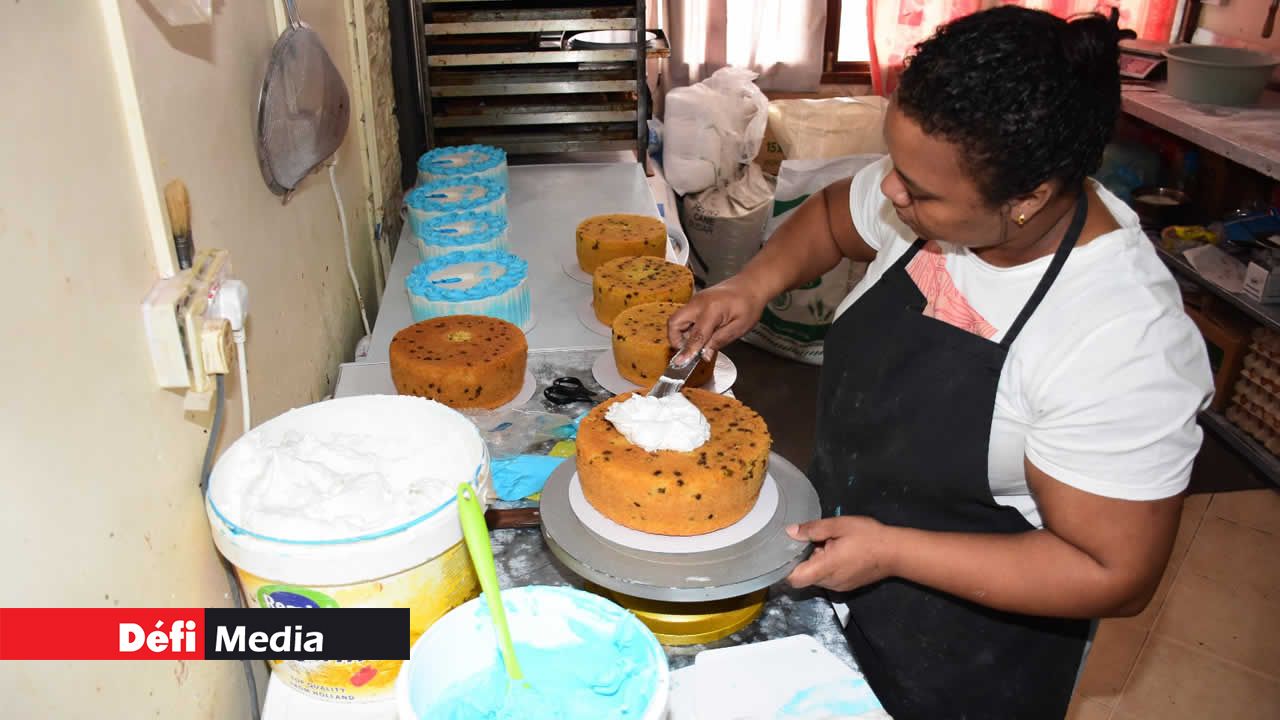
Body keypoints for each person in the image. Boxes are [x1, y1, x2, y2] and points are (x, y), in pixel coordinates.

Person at [668, 6, 1213, 719]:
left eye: (919, 192)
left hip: (967, 654)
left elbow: (1112, 572)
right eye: (896, 168)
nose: (892, 192)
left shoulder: (1120, 341)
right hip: (847, 557)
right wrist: (752, 283)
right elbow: (837, 214)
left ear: (1028, 201)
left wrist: (894, 553)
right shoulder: (935, 191)